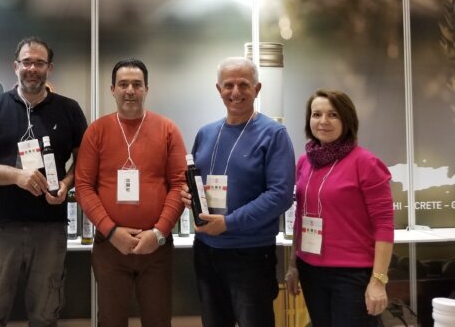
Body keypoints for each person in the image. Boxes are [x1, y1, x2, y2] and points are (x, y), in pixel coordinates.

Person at [0, 37, 88, 327]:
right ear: (15, 66)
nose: (32, 68)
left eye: (39, 63)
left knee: (45, 316)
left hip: (50, 230)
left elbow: (85, 163)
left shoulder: (69, 110)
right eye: (26, 62)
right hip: (0, 229)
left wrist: (67, 184)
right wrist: (16, 176)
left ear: (49, 68)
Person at [75, 58, 187, 327]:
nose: (130, 91)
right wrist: (111, 231)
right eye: (123, 84)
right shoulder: (96, 131)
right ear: (112, 89)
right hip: (110, 247)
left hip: (156, 248)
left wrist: (158, 233)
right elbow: (84, 187)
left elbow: (178, 185)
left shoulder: (168, 130)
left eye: (137, 84)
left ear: (146, 89)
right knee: (111, 321)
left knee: (158, 320)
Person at [186, 56, 295, 327]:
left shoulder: (274, 134)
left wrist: (229, 223)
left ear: (257, 89)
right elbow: (196, 181)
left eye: (244, 85)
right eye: (229, 85)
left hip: (250, 255)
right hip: (206, 251)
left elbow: (280, 195)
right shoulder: (205, 133)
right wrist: (189, 196)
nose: (235, 92)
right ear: (219, 89)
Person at [285, 89, 393, 327]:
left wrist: (378, 281)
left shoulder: (366, 163)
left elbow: (384, 225)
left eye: (333, 115)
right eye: (316, 114)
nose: (323, 121)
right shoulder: (304, 162)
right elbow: (300, 218)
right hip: (310, 270)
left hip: (351, 274)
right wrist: (293, 264)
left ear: (347, 119)